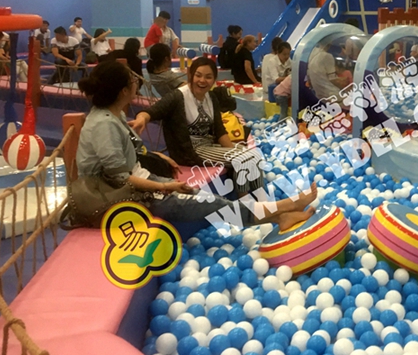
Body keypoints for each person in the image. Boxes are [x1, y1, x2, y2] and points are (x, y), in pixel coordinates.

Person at [76, 61, 313, 230]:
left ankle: (278, 216)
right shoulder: (104, 124)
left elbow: (219, 130)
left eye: (208, 77)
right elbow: (120, 178)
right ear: (123, 91)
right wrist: (166, 186)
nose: (137, 85)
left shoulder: (114, 115)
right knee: (211, 204)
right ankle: (281, 208)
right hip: (125, 197)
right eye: (133, 82)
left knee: (211, 195)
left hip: (142, 184)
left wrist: (159, 157)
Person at [130, 58, 262, 196]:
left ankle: (259, 196)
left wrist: (232, 151)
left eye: (208, 77)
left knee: (253, 155)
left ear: (214, 79)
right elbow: (153, 111)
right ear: (190, 75)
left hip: (209, 145)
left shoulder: (211, 98)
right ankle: (247, 202)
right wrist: (141, 119)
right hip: (190, 152)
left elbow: (219, 130)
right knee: (243, 157)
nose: (202, 80)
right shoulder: (178, 97)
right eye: (198, 75)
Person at [263, 41, 292, 112]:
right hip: (272, 90)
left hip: (284, 88)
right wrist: (290, 78)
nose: (287, 56)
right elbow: (276, 79)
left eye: (288, 54)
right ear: (278, 53)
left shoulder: (289, 61)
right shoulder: (272, 62)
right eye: (284, 54)